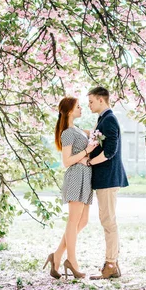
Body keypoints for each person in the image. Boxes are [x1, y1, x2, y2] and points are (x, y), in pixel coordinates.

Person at [43, 96, 97, 279]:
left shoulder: (78, 130)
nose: (82, 109)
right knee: (73, 222)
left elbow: (96, 133)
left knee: (83, 222)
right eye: (78, 106)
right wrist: (86, 152)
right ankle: (72, 261)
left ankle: (57, 256)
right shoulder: (67, 132)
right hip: (75, 176)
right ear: (69, 110)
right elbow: (66, 161)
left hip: (86, 176)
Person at [86, 86, 129, 280]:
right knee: (107, 220)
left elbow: (110, 151)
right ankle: (113, 265)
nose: (89, 105)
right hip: (105, 179)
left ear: (101, 100)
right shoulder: (104, 119)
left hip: (108, 178)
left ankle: (111, 263)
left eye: (91, 101)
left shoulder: (109, 119)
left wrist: (89, 162)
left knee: (108, 221)